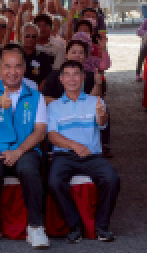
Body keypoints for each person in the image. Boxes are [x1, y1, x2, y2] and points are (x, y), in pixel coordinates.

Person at [0, 45, 50, 248]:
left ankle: (35, 227)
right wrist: (0, 101)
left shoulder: (36, 96)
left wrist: (18, 151)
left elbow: (40, 132)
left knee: (29, 169)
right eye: (7, 66)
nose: (12, 71)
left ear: (24, 69)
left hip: (24, 149)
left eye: (17, 66)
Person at [47, 60, 120, 243]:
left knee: (111, 178)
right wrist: (74, 146)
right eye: (67, 75)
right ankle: (74, 225)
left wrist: (102, 117)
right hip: (64, 156)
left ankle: (102, 226)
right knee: (54, 181)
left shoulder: (96, 101)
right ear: (61, 79)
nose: (72, 79)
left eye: (76, 74)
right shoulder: (53, 106)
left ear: (83, 78)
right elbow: (52, 136)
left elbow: (102, 123)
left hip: (91, 156)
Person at [21, 23, 54, 89]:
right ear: (21, 36)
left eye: (33, 36)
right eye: (27, 36)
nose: (30, 39)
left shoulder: (43, 57)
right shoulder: (14, 54)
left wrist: (36, 92)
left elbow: (46, 78)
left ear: (37, 39)